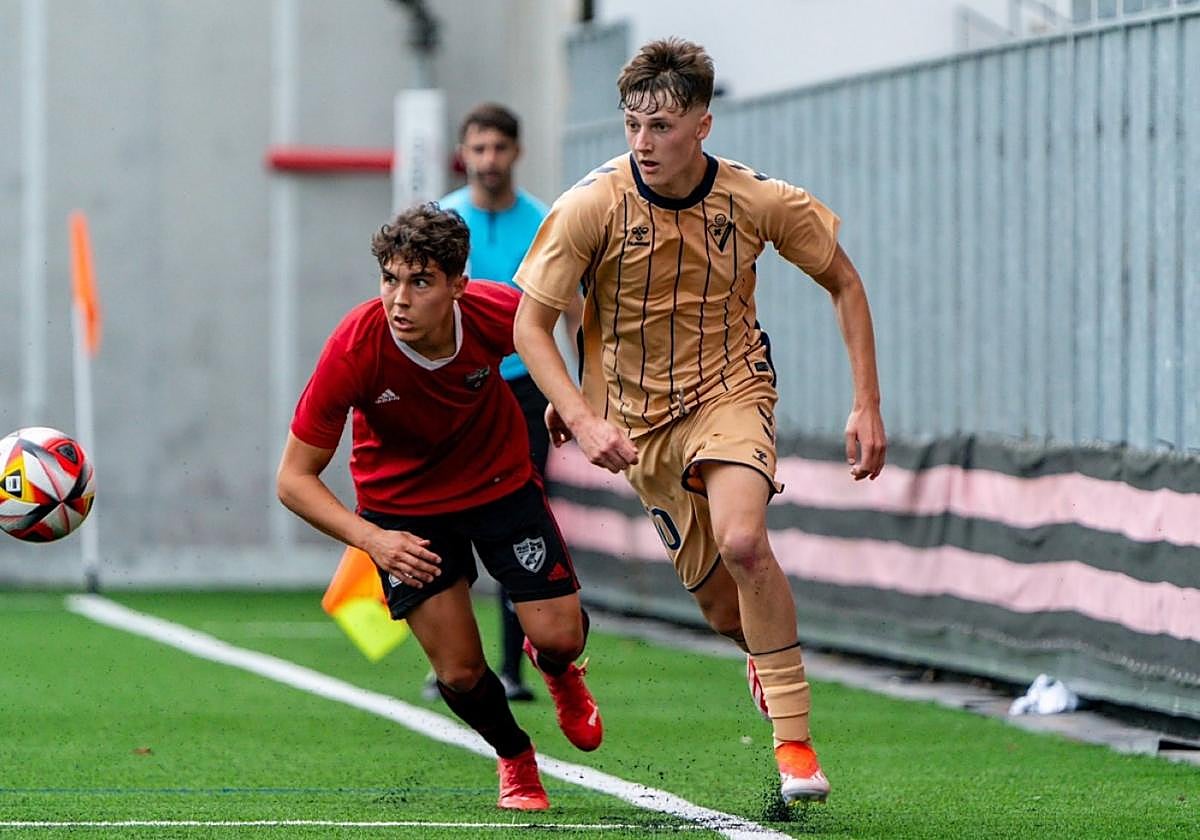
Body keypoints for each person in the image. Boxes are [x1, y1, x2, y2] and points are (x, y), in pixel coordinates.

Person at [512, 38, 886, 805]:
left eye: (662, 127)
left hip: (731, 390)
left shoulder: (758, 200)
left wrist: (867, 402)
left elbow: (844, 282)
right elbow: (530, 325)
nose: (644, 144)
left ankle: (794, 743)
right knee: (723, 607)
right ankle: (761, 652)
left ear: (703, 126)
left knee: (747, 541)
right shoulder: (592, 203)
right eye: (632, 127)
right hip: (640, 425)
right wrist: (583, 414)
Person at [277, 203, 603, 811]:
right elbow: (293, 480)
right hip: (402, 513)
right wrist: (373, 541)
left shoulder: (497, 312)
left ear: (458, 285)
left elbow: (570, 321)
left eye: (420, 281)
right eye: (389, 279)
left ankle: (558, 669)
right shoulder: (355, 347)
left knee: (559, 635)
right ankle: (515, 758)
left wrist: (572, 397)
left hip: (499, 483)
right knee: (457, 672)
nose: (398, 299)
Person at [436, 103, 581, 702]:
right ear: (463, 154)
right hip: (454, 390)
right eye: (479, 148)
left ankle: (516, 667)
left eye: (499, 148)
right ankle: (452, 655)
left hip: (521, 387)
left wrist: (578, 391)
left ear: (516, 152)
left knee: (519, 515)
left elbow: (573, 307)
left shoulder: (544, 221)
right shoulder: (443, 219)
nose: (489, 160)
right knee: (444, 517)